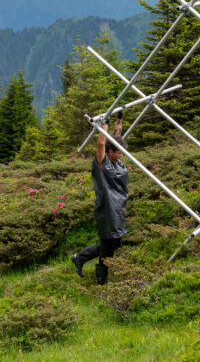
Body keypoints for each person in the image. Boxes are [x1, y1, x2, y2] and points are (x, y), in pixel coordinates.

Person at [71, 111, 128, 285]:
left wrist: (119, 119)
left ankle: (80, 257)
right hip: (107, 208)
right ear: (110, 153)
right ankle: (101, 279)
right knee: (109, 243)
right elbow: (102, 142)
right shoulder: (102, 162)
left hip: (118, 206)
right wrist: (105, 123)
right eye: (118, 153)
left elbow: (115, 139)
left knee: (114, 242)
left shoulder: (117, 161)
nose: (121, 155)